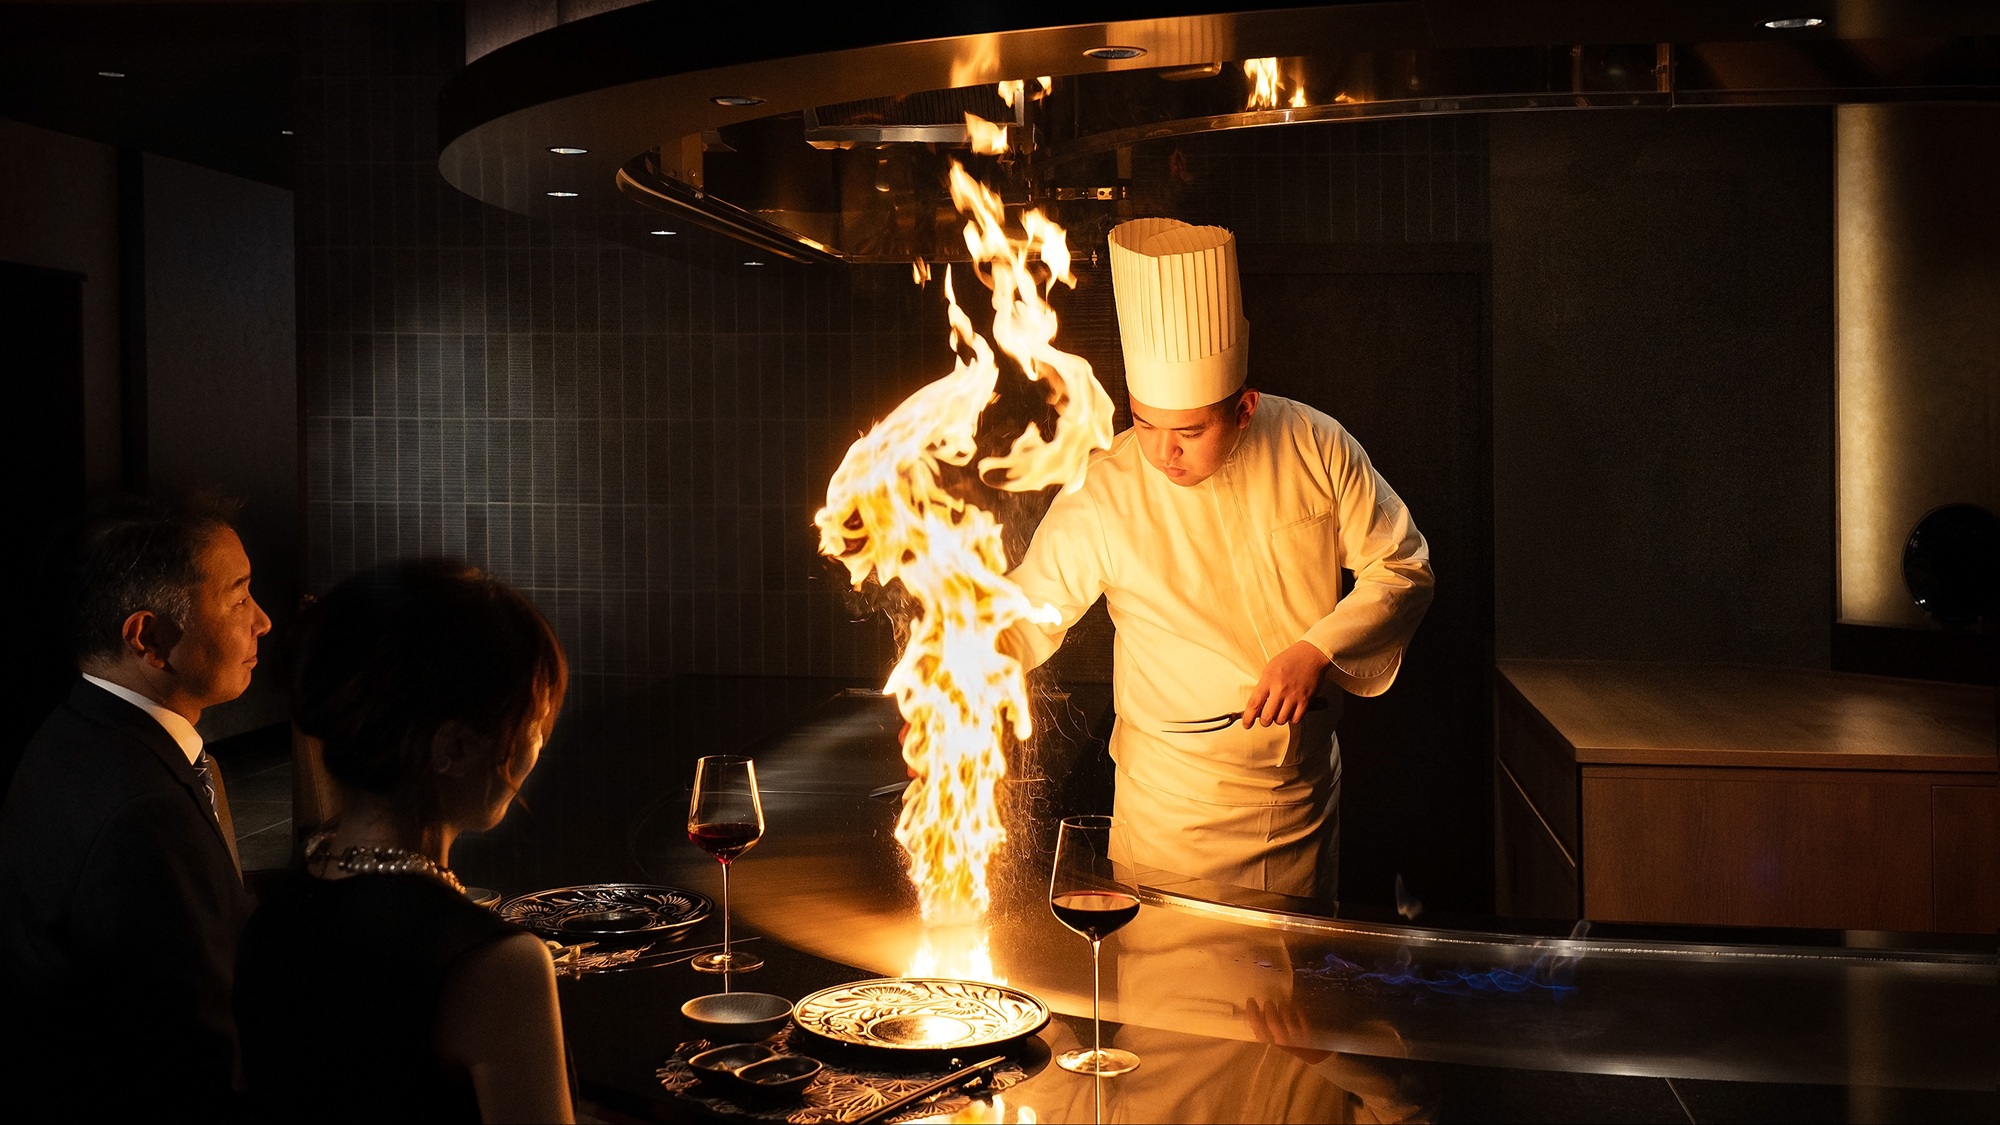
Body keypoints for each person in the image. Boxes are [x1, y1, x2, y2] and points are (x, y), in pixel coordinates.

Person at [1007, 217, 1434, 900]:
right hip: (1165, 816)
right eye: (1144, 423)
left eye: (1189, 430)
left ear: (1244, 407)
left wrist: (1316, 649)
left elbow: (1404, 566)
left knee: (1286, 1001)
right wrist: (964, 666)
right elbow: (1029, 610)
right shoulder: (1107, 488)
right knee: (1164, 1005)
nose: (1162, 452)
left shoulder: (1315, 446)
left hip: (1296, 807)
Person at [233, 559, 573, 1124]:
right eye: (533, 720)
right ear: (454, 749)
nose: (535, 745)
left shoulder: (267, 920)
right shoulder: (494, 965)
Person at [0, 495, 270, 1121]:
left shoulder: (76, 730)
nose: (263, 621)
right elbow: (199, 1063)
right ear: (148, 637)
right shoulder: (145, 816)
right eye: (238, 599)